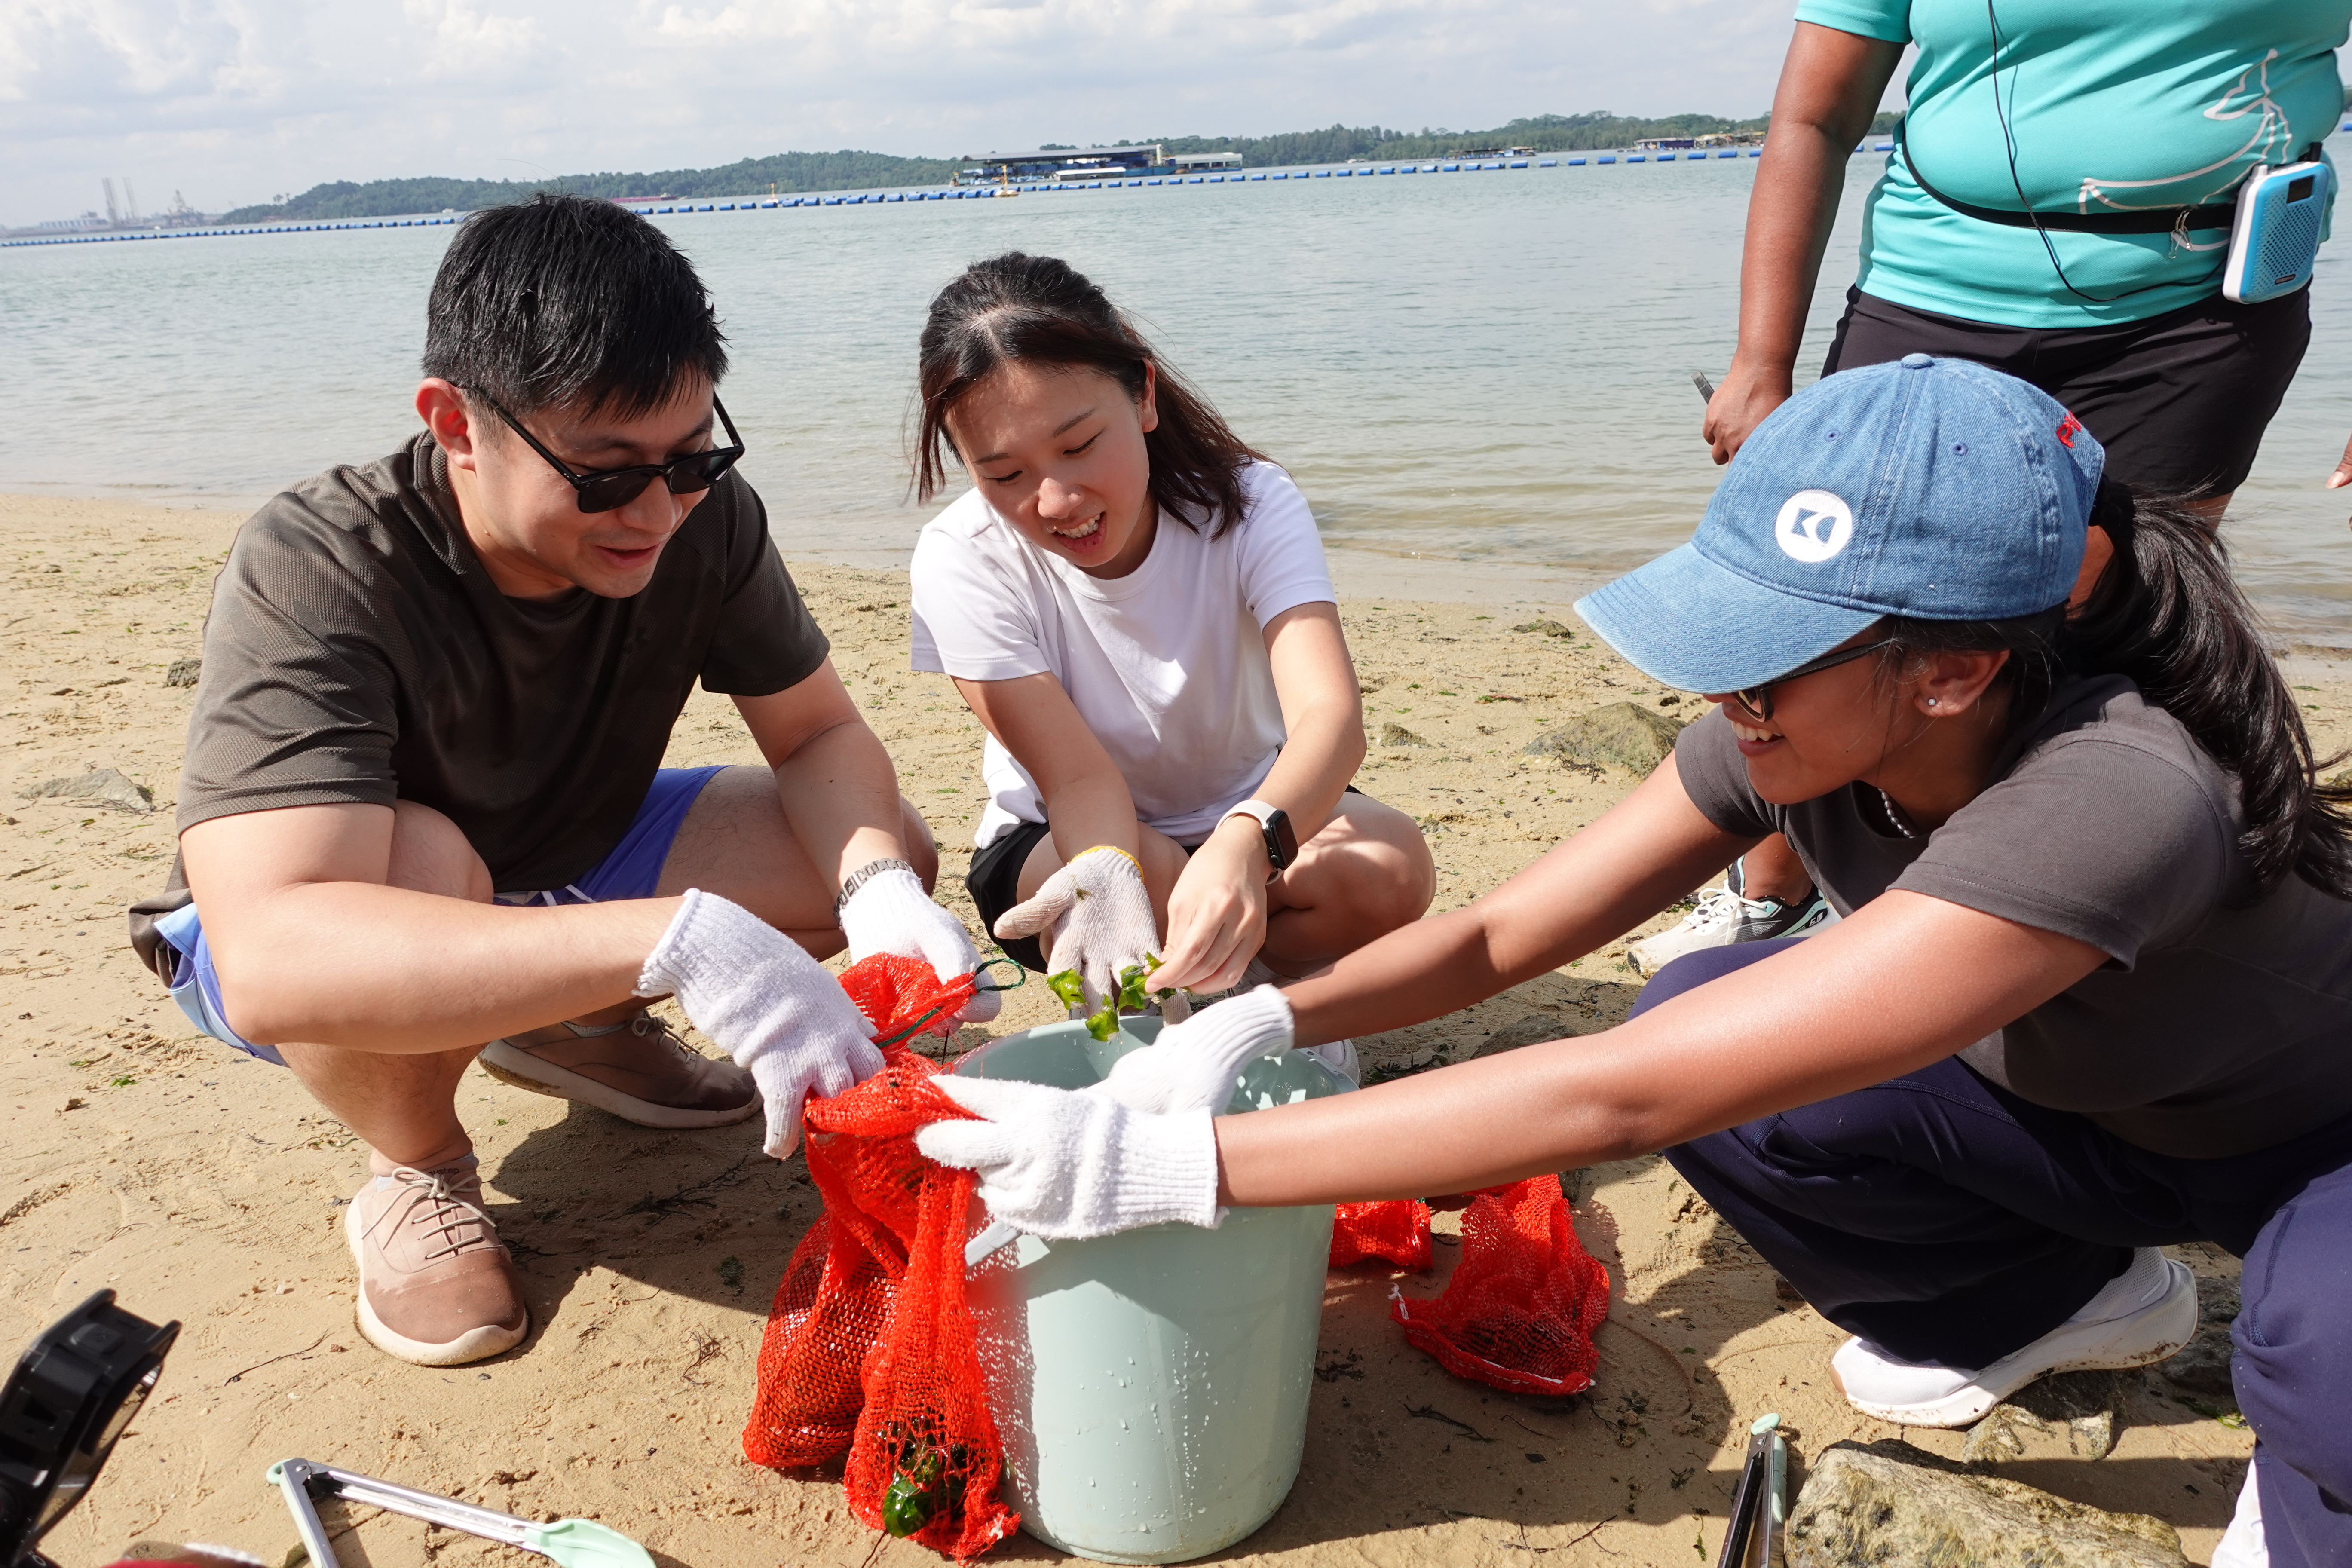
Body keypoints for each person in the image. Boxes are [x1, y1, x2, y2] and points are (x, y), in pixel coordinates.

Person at [914, 360, 2352, 1568]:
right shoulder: (1787, 732)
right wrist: (1251, 1020)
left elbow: (1617, 1095)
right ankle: (2058, 1301)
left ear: (1952, 670)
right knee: (1706, 1010)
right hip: (2090, 1111)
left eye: (1766, 657)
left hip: (2307, 1143)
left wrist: (1171, 1169)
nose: (1719, 693)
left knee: (2316, 1363)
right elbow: (1495, 937)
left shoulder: (2120, 789)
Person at [130, 195, 986, 1367]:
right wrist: (684, 943)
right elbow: (278, 955)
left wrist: (881, 890)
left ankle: (573, 1030)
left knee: (873, 837)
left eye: (690, 457)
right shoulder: (321, 561)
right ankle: (418, 1165)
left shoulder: (702, 517)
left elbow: (821, 738)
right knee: (431, 861)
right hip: (336, 907)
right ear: (457, 423)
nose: (653, 510)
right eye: (604, 471)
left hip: (569, 849)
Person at [1638, 0, 2352, 976]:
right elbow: (1815, 117)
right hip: (1930, 290)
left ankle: (2035, 909)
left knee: (2113, 627)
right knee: (1826, 625)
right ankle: (1775, 898)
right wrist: (1762, 357)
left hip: (2197, 309)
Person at [906, 252, 1435, 1041]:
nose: (1055, 501)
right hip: (1065, 837)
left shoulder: (1252, 503)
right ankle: (1204, 995)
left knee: (1390, 866)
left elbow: (1330, 718)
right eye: (1005, 473)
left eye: (1081, 446)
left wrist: (1249, 840)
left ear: (1144, 395)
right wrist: (1127, 879)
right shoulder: (961, 558)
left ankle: (1230, 991)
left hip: (1246, 810)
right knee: (1146, 876)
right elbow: (1076, 777)